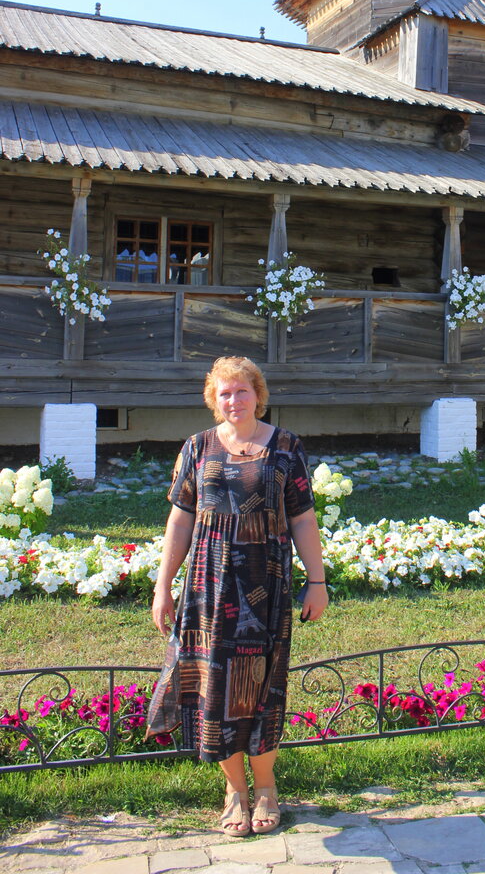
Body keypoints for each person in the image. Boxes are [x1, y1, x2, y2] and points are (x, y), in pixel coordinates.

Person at [146, 355, 328, 837]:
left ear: (258, 394)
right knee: (215, 689)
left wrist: (318, 581)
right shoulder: (197, 447)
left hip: (265, 585)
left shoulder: (286, 447)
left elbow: (303, 517)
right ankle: (235, 792)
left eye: (242, 391)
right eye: (224, 393)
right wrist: (163, 586)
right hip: (209, 587)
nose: (234, 401)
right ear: (213, 399)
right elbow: (180, 520)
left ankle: (266, 787)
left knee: (262, 687)